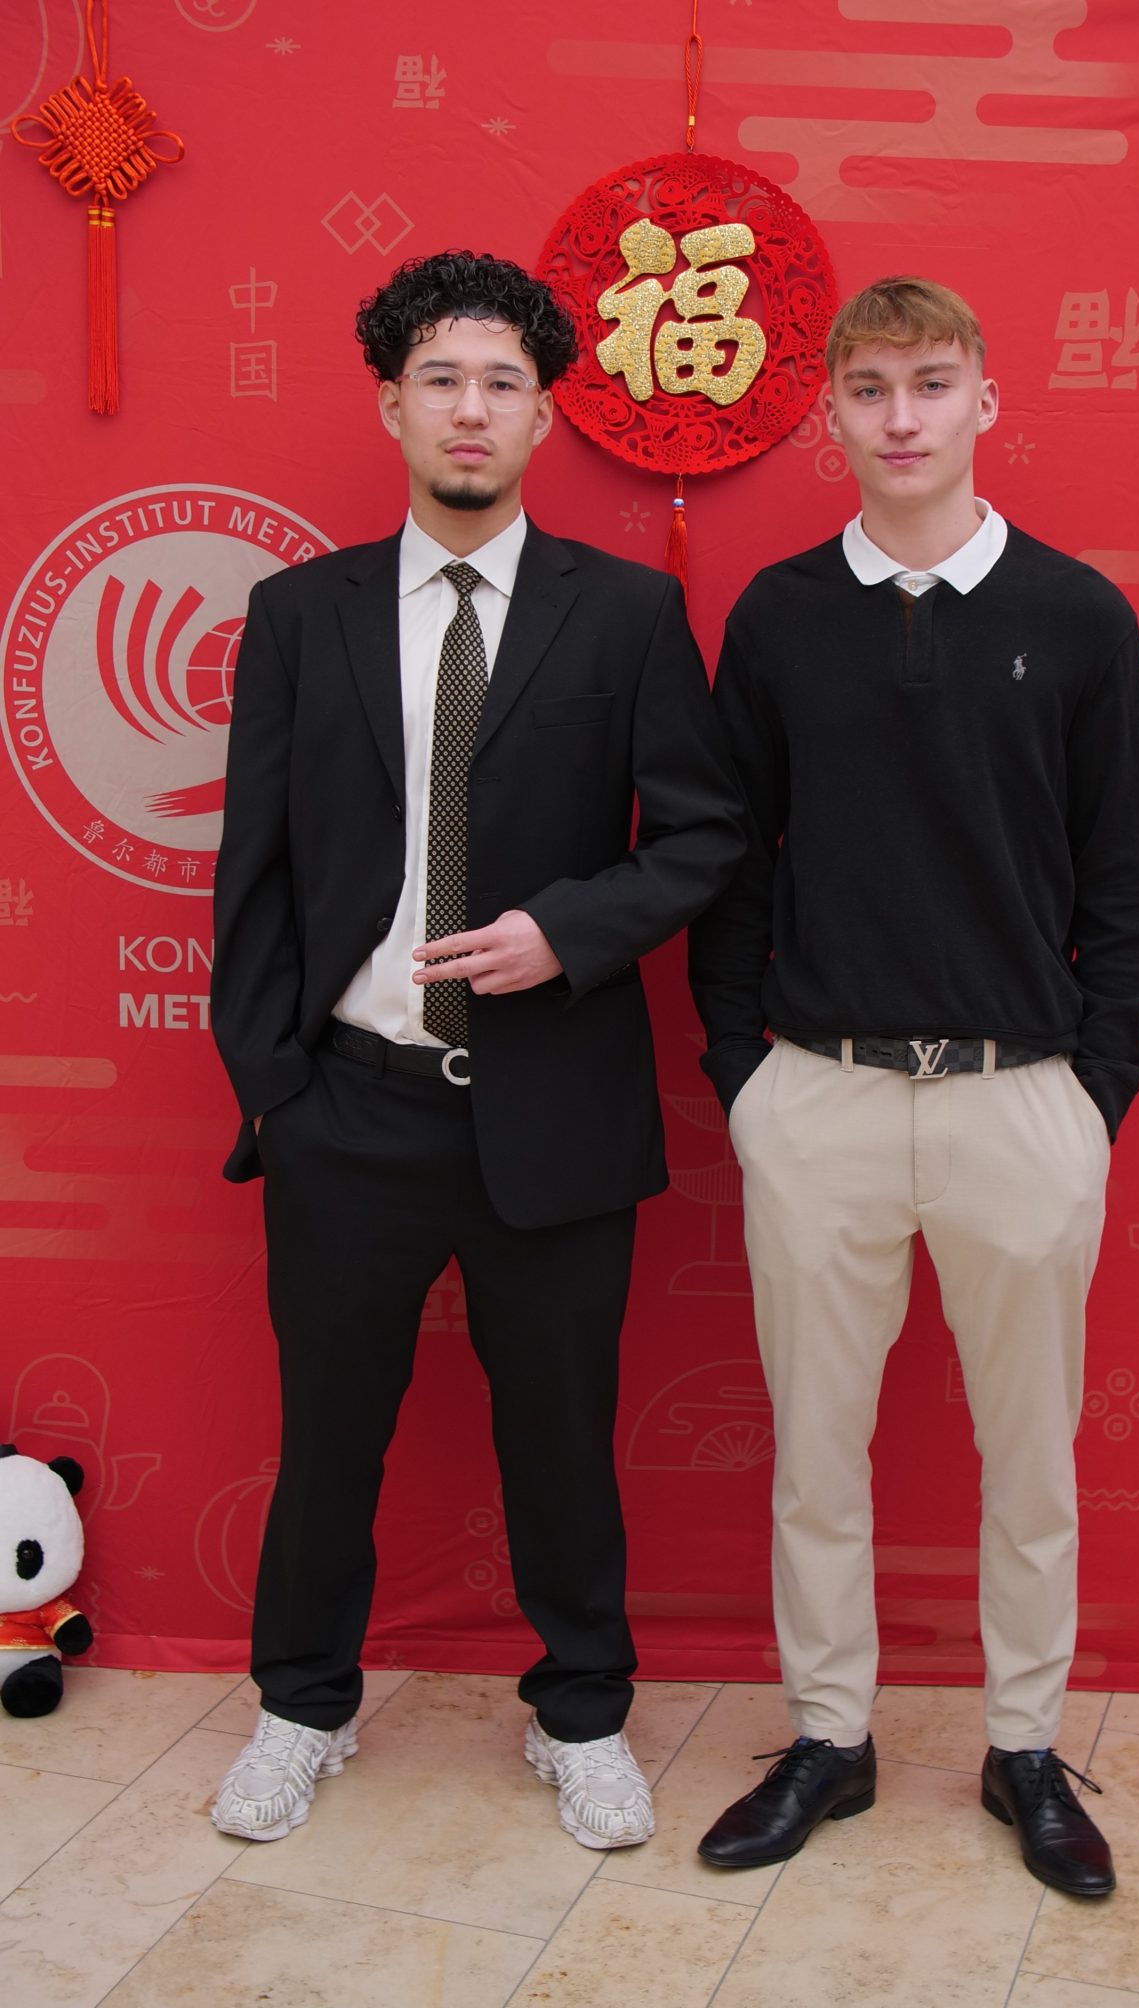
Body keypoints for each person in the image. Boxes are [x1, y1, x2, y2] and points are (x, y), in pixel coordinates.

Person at [209, 250, 745, 1850]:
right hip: (349, 1107)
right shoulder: (298, 617)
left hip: (553, 1103)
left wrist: (565, 933)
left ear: (541, 414)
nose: (469, 407)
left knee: (561, 1443)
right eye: (439, 378)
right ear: (390, 404)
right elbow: (254, 875)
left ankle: (581, 1715)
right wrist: (276, 1087)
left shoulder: (627, 614)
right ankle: (302, 1706)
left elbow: (703, 834)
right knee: (329, 1436)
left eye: (501, 381)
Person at [688, 276, 1139, 1896]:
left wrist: (1090, 1093)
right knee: (814, 1454)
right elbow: (730, 865)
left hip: (1018, 1099)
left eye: (932, 382)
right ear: (828, 413)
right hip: (816, 1093)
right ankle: (826, 1737)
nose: (902, 417)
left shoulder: (1076, 616)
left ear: (984, 401)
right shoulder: (775, 617)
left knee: (1027, 1460)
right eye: (871, 387)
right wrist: (743, 1077)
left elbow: (1126, 882)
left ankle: (1023, 1746)